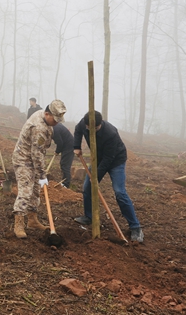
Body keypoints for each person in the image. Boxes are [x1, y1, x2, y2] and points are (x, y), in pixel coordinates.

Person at [73, 111, 143, 243]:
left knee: (119, 192)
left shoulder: (110, 133)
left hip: (115, 160)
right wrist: (76, 146)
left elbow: (108, 160)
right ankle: (89, 217)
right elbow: (77, 130)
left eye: (94, 128)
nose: (90, 130)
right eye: (88, 128)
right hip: (97, 159)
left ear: (99, 125)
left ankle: (135, 227)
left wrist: (96, 177)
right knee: (87, 188)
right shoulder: (85, 123)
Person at [12, 100, 67, 239]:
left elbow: (38, 154)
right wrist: (43, 175)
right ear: (47, 114)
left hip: (34, 159)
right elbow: (36, 155)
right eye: (55, 119)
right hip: (24, 159)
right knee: (26, 190)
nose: (57, 122)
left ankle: (32, 220)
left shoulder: (43, 115)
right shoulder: (39, 128)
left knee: (35, 190)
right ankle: (19, 223)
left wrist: (40, 175)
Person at [51, 122, 75, 188]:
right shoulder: (55, 126)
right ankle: (64, 181)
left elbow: (60, 143)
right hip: (67, 145)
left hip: (69, 146)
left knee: (65, 165)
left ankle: (66, 184)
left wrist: (57, 151)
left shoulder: (55, 130)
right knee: (63, 164)